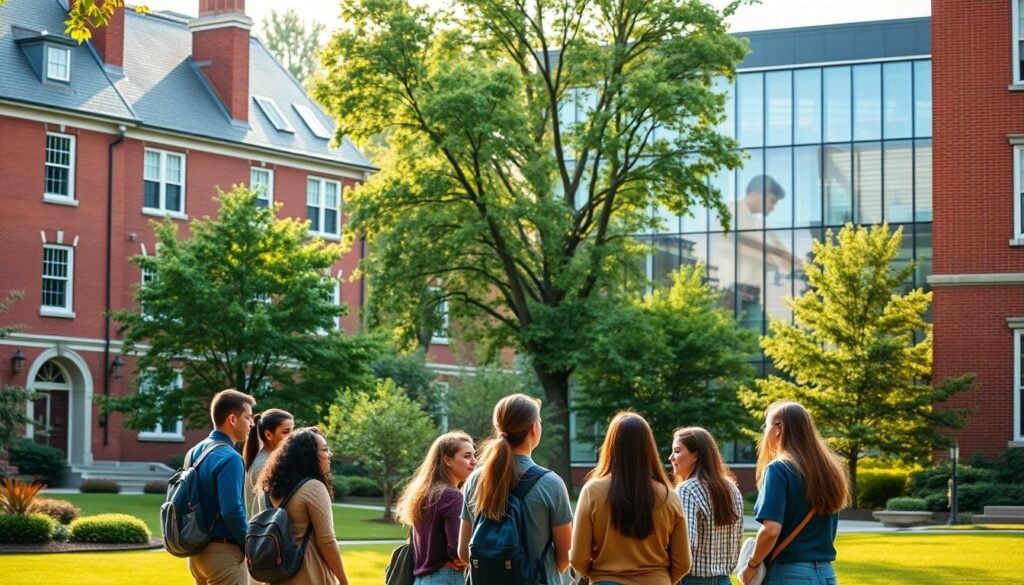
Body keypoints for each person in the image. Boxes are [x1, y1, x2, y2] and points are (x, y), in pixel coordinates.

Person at [458, 393, 573, 585]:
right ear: (534, 428)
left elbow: (463, 552)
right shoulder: (551, 484)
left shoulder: (476, 480)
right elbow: (566, 555)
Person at [570, 412, 691, 585]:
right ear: (648, 447)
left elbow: (577, 558)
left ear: (611, 445)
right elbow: (684, 563)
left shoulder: (593, 492)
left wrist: (598, 575)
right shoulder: (669, 496)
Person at [740, 401, 849, 585]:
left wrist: (751, 565)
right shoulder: (829, 470)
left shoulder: (778, 468)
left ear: (779, 429)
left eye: (766, 426)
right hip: (827, 574)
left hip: (790, 574)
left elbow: (771, 530)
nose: (764, 433)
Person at [257, 427, 348, 585]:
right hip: (309, 574)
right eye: (325, 449)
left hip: (275, 575)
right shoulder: (313, 487)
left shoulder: (266, 490)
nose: (330, 454)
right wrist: (343, 580)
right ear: (310, 456)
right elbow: (326, 541)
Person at [187, 388, 256, 585]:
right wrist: (250, 545)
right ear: (232, 419)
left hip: (196, 553)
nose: (252, 423)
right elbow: (232, 511)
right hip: (223, 554)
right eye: (248, 417)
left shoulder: (194, 451)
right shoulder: (231, 458)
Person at [394, 431, 477, 585]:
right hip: (447, 578)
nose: (474, 461)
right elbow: (456, 550)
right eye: (467, 456)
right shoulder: (452, 496)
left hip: (421, 580)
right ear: (447, 460)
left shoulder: (423, 495)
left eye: (473, 455)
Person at [669, 427, 743, 585]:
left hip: (691, 580)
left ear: (696, 455)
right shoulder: (732, 489)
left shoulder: (686, 490)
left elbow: (686, 543)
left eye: (677, 451)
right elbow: (737, 541)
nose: (670, 457)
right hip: (725, 580)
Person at [243, 408, 295, 518]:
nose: (291, 437)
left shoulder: (264, 459)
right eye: (285, 432)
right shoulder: (265, 464)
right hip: (264, 532)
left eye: (292, 431)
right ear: (268, 435)